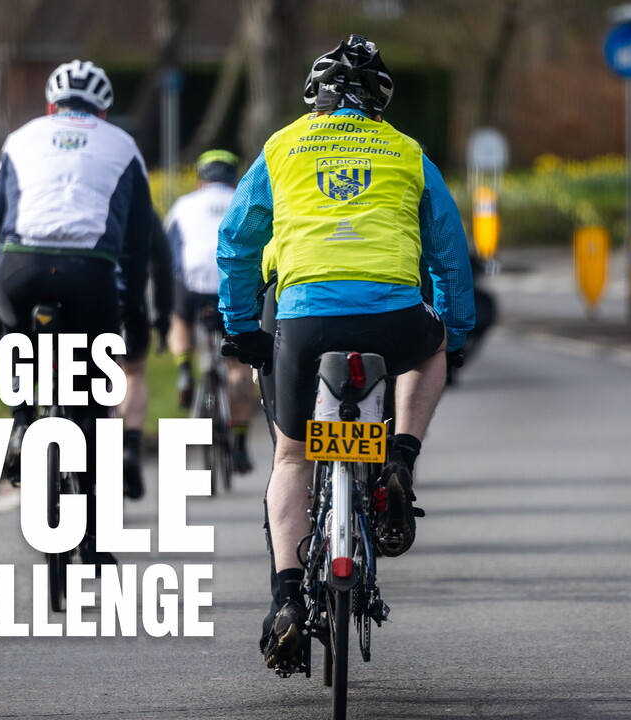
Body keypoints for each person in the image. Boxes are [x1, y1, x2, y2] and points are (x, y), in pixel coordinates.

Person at [216, 35, 475, 669]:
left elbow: (236, 240)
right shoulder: (408, 153)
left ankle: (285, 600)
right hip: (392, 317)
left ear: (315, 99)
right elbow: (449, 254)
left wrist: (240, 323)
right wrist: (457, 334)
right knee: (434, 348)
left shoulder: (282, 147)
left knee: (292, 453)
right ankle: (402, 460)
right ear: (379, 104)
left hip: (303, 319)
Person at [0, 59, 152, 565]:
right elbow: (137, 244)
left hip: (21, 267)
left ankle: (21, 422)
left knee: (7, 330)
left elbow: (0, 214)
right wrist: (134, 313)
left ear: (49, 105)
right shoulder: (123, 146)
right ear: (104, 110)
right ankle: (98, 538)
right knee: (98, 397)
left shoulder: (19, 138)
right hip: (90, 273)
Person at [166, 149, 258, 473]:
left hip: (192, 287)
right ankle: (241, 443)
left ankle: (183, 367)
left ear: (200, 178)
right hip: (231, 285)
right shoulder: (244, 200)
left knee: (178, 317)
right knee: (237, 362)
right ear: (235, 177)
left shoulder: (183, 205)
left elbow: (170, 251)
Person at [118, 213, 174, 499]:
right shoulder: (133, 187)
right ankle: (129, 442)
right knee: (133, 373)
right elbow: (162, 263)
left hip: (66, 291)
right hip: (128, 303)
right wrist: (163, 314)